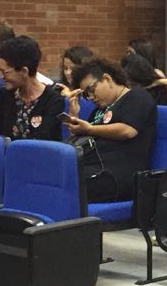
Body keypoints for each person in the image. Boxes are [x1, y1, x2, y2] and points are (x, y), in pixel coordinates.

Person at [66, 58, 158, 203]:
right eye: (86, 95)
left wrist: (89, 129)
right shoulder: (99, 111)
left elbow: (128, 130)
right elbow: (81, 141)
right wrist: (74, 117)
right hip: (92, 167)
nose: (90, 97)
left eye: (91, 90)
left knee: (63, 180)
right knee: (55, 171)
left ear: (107, 79)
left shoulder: (138, 96)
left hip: (117, 175)